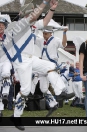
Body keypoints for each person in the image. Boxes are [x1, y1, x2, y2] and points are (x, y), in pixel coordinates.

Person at [1, 0, 70, 130]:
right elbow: (35, 17)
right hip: (21, 61)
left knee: (51, 66)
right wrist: (44, 2)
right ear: (27, 14)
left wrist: (52, 9)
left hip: (30, 58)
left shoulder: (31, 24)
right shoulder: (19, 25)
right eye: (31, 11)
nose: (33, 13)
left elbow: (44, 22)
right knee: (26, 90)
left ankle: (61, 92)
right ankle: (16, 117)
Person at [34, 25, 75, 102]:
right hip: (42, 65)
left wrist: (64, 33)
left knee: (52, 74)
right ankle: (53, 101)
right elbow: (33, 39)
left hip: (51, 64)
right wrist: (33, 28)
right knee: (43, 89)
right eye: (43, 33)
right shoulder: (41, 40)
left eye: (46, 33)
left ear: (51, 33)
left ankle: (61, 93)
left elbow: (63, 45)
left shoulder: (55, 40)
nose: (44, 35)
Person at [0, 16, 13, 117]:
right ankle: (0, 110)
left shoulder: (9, 36)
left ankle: (5, 94)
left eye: (2, 25)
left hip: (6, 60)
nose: (0, 26)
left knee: (6, 73)